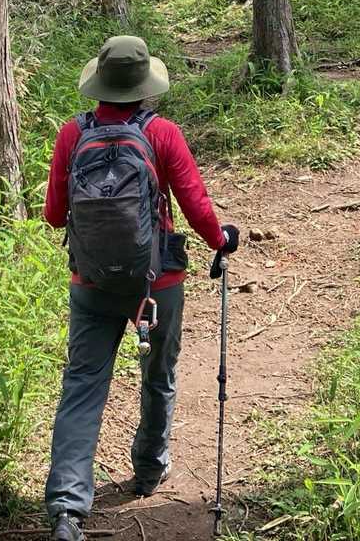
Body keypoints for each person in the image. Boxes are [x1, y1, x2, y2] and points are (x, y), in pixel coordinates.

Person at [42, 35, 239, 541]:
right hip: (157, 283)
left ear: (100, 83)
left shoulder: (72, 134)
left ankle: (67, 509)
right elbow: (194, 202)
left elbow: (54, 216)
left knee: (83, 385)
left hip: (90, 283)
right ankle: (149, 468)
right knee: (159, 372)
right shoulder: (162, 133)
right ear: (145, 86)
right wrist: (221, 240)